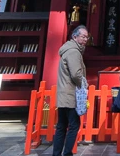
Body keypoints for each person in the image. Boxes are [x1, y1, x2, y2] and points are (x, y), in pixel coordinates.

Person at [53, 25, 89, 156]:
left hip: (63, 95)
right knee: (73, 126)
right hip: (71, 95)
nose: (85, 39)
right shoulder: (74, 52)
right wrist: (83, 85)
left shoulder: (66, 50)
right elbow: (76, 74)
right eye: (83, 36)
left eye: (87, 37)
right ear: (75, 36)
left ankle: (56, 153)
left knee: (61, 127)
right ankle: (67, 153)